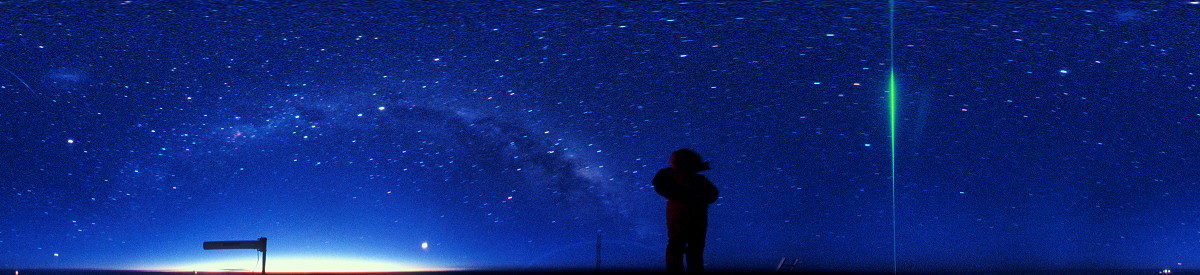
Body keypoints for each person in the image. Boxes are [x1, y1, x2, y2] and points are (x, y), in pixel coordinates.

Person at [653, 149, 719, 273]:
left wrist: (686, 195)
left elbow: (713, 194)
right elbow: (713, 195)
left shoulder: (671, 176)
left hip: (682, 215)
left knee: (681, 245)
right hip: (690, 215)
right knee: (689, 246)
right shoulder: (696, 179)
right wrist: (695, 197)